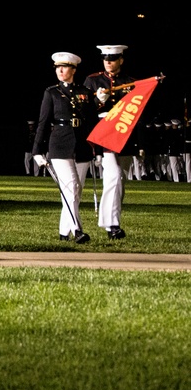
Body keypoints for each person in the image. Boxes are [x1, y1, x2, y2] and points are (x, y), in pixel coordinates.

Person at [32, 52, 98, 243]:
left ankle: (63, 232)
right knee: (71, 186)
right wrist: (37, 150)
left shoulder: (85, 92)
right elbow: (43, 123)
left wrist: (98, 150)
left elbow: (93, 123)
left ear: (74, 70)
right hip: (60, 143)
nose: (60, 71)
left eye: (65, 67)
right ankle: (78, 230)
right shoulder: (51, 92)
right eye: (57, 68)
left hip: (82, 145)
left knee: (76, 191)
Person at [82, 44, 135, 239]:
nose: (108, 62)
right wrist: (98, 101)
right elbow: (84, 109)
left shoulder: (130, 82)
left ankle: (112, 220)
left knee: (120, 180)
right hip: (104, 135)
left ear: (121, 60)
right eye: (106, 59)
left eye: (112, 59)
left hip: (125, 136)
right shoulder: (93, 80)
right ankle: (112, 224)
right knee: (113, 177)